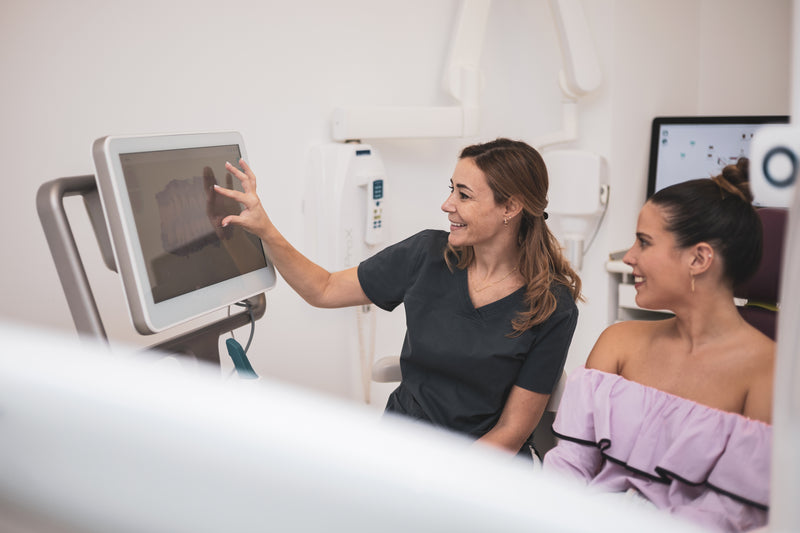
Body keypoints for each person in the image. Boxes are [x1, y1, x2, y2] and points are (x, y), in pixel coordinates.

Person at [213, 138, 581, 458]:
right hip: (402, 447)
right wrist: (265, 229)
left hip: (478, 468)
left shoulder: (551, 305)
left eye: (464, 195)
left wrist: (436, 481)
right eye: (451, 188)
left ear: (511, 208)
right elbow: (322, 288)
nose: (447, 204)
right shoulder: (427, 255)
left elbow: (510, 433)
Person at [543, 158, 774, 532]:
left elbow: (730, 514)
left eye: (644, 242)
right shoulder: (618, 343)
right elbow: (570, 465)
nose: (629, 256)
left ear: (699, 258)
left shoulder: (769, 372)